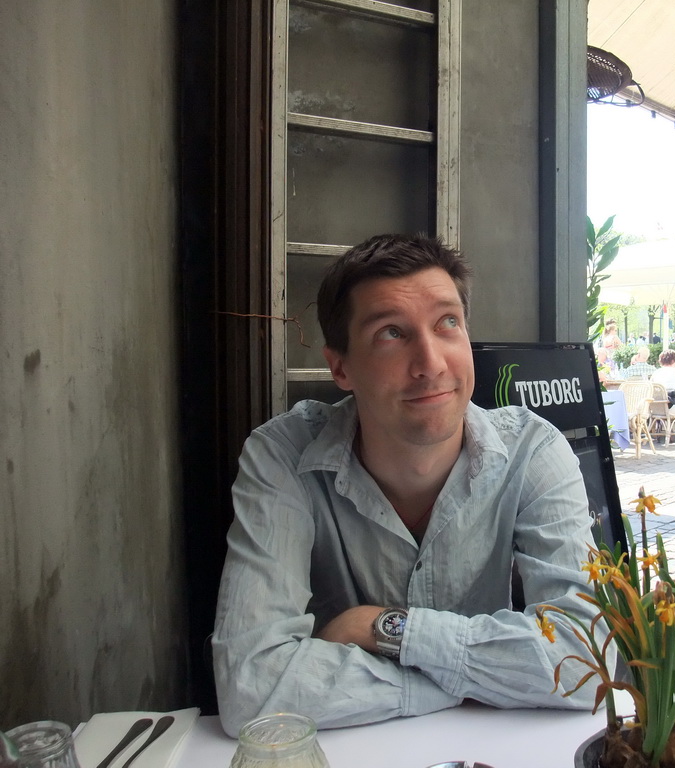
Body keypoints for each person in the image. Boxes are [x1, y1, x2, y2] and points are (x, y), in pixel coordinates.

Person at [212, 234, 602, 735]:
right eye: (391, 334)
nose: (432, 364)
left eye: (447, 323)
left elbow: (588, 660)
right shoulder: (282, 456)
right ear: (340, 367)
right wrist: (477, 680)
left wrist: (386, 628)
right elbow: (251, 688)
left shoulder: (533, 450)